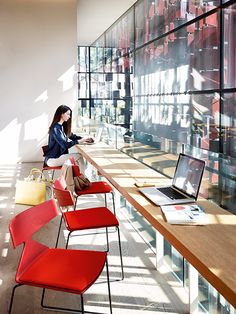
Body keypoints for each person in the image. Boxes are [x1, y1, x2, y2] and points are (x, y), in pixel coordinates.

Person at [44, 105, 93, 171]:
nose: (69, 116)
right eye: (68, 114)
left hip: (59, 157)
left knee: (78, 157)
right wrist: (80, 141)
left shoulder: (62, 127)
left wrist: (85, 138)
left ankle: (79, 178)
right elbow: (64, 145)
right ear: (61, 114)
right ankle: (82, 178)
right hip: (53, 159)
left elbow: (72, 136)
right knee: (79, 156)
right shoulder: (55, 128)